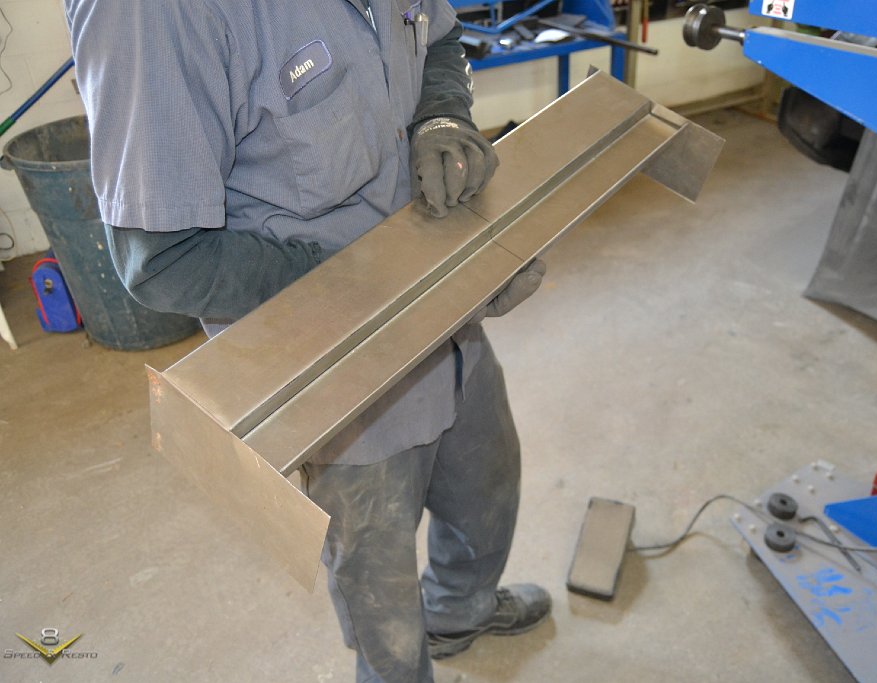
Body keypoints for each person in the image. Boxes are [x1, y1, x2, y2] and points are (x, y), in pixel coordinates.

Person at [64, 0, 551, 680]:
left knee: (485, 488)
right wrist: (397, 288)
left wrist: (442, 117)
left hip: (445, 318)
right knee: (381, 599)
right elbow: (164, 260)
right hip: (334, 377)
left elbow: (438, 35)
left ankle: (459, 610)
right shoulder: (152, 14)